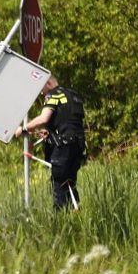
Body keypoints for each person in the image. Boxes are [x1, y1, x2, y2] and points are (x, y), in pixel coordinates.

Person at [20, 75, 86, 210]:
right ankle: (75, 216)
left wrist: (24, 129)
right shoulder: (73, 95)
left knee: (59, 185)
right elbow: (67, 120)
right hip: (78, 145)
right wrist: (49, 131)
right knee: (70, 183)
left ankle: (60, 221)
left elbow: (44, 118)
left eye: (42, 90)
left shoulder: (53, 94)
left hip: (64, 146)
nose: (42, 93)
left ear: (48, 83)